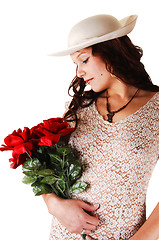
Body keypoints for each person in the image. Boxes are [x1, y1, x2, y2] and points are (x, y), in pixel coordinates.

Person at [43, 14, 159, 240]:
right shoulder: (77, 110)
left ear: (112, 51)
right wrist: (53, 204)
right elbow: (45, 167)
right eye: (76, 64)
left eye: (84, 60)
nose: (79, 72)